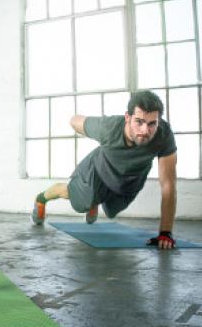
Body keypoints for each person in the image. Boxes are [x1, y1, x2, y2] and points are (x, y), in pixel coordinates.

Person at [30, 91, 178, 249]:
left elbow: (168, 184)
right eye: (139, 121)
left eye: (151, 124)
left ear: (158, 121)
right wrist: (81, 129)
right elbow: (74, 120)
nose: (145, 130)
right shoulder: (109, 127)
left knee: (112, 212)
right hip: (98, 171)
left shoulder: (164, 135)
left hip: (129, 181)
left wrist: (165, 232)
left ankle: (96, 200)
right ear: (127, 118)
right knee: (78, 201)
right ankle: (41, 200)